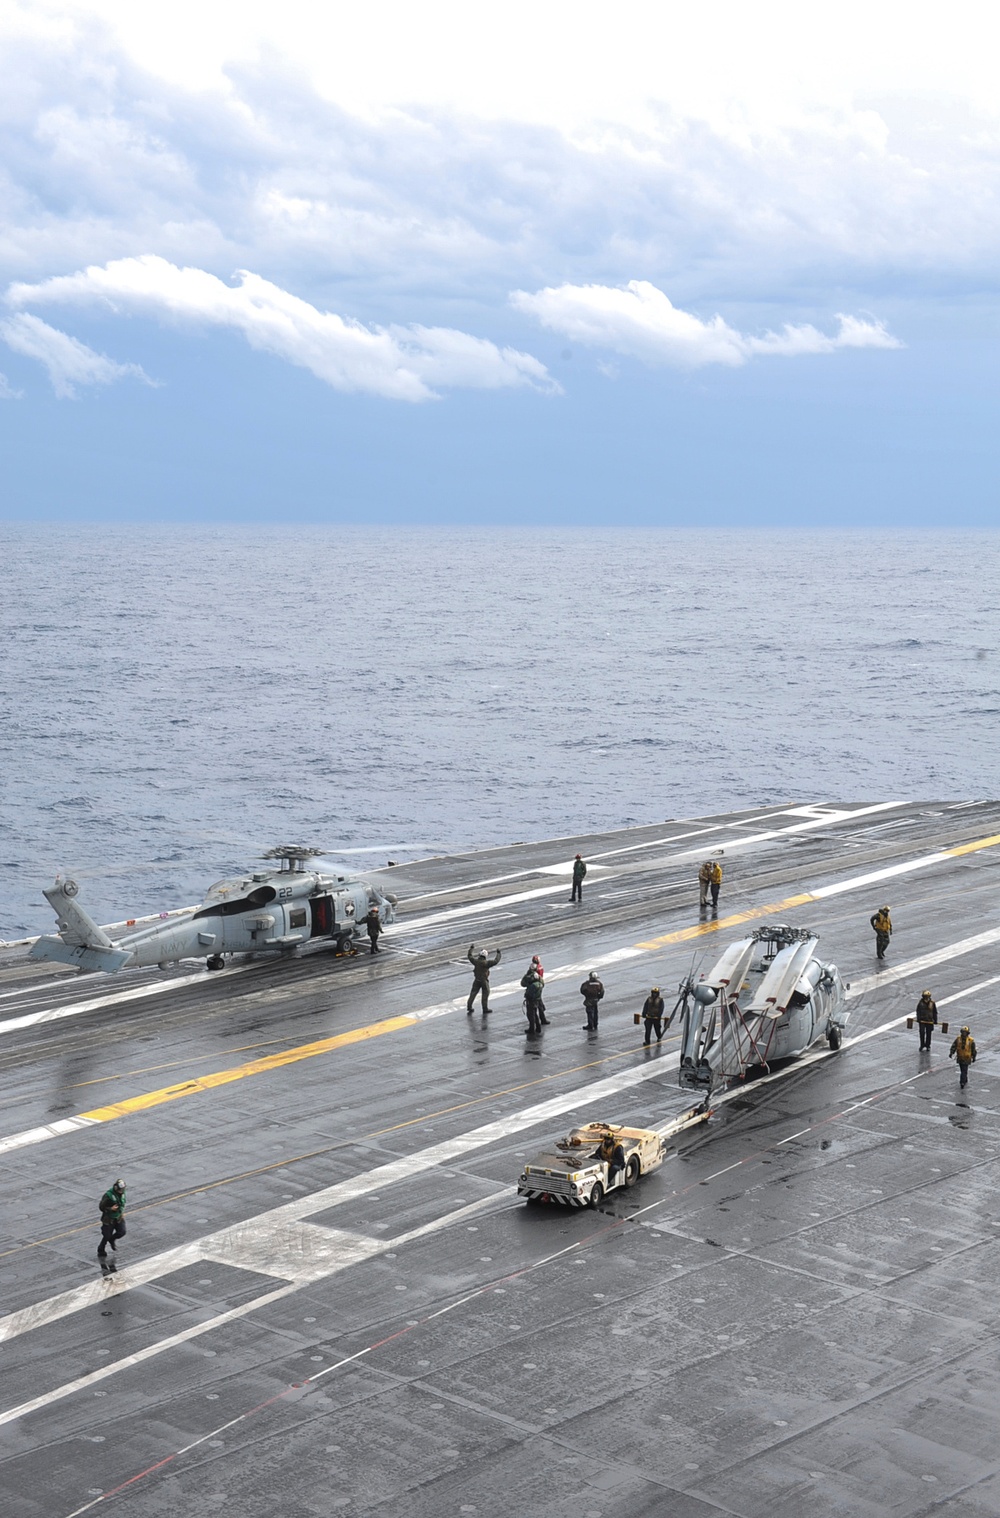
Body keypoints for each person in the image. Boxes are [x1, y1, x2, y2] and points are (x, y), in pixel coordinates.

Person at [97, 1178, 126, 1270]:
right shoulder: (108, 1195)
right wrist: (111, 1209)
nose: (121, 1192)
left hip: (118, 1217)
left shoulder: (122, 1194)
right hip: (108, 1219)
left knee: (122, 1232)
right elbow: (101, 1207)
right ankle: (101, 1249)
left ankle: (112, 1240)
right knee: (106, 1235)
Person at [467, 944, 501, 1014]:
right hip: (484, 981)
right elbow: (496, 961)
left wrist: (471, 948)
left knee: (473, 994)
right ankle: (485, 1008)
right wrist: (498, 953)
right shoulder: (486, 963)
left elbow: (470, 956)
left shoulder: (476, 961)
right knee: (485, 994)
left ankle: (469, 1007)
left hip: (476, 980)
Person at [521, 967, 545, 1034]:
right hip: (537, 1000)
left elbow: (523, 985)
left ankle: (532, 1029)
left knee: (531, 1015)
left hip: (531, 1001)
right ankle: (538, 1027)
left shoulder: (532, 986)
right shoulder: (540, 984)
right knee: (535, 1015)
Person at [527, 956, 549, 1024]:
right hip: (539, 986)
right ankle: (542, 1019)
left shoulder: (532, 968)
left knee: (534, 1005)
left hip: (533, 987)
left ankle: (537, 1021)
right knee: (539, 1002)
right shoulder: (540, 967)